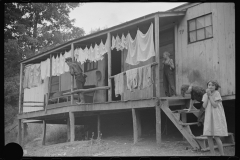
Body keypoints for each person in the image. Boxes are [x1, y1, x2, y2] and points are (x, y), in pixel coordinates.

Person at [202, 81, 228, 156]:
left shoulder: (217, 93)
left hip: (216, 116)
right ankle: (212, 154)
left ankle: (222, 154)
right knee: (209, 135)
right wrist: (207, 95)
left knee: (216, 136)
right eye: (209, 85)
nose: (210, 86)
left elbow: (215, 105)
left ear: (215, 87)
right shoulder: (205, 95)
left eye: (213, 85)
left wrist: (210, 96)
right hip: (209, 116)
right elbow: (204, 106)